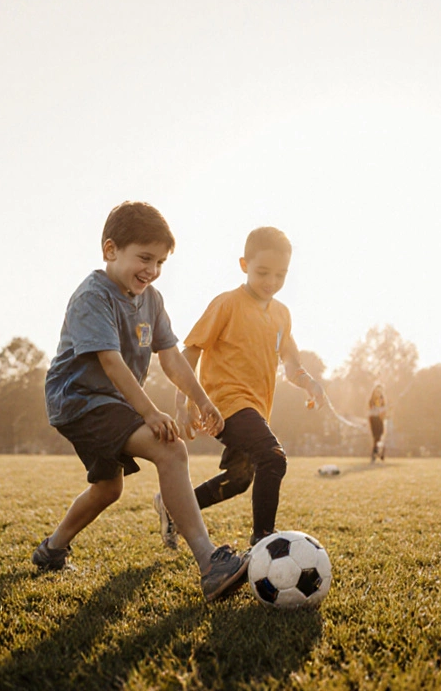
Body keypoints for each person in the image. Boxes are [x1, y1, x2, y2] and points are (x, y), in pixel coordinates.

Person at [35, 201, 248, 602]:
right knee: (171, 449)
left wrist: (202, 400)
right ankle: (209, 562)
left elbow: (171, 357)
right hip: (79, 400)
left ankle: (52, 549)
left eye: (161, 262)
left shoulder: (152, 300)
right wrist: (149, 412)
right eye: (145, 258)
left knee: (107, 489)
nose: (152, 270)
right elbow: (111, 363)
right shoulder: (92, 297)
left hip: (110, 402)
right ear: (110, 250)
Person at [166, 227, 326, 549]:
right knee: (273, 458)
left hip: (256, 408)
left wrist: (308, 382)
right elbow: (191, 352)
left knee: (239, 480)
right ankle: (263, 541)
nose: (271, 281)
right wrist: (183, 402)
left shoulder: (282, 315)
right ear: (244, 265)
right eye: (263, 272)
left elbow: (291, 362)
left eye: (281, 275)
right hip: (225, 403)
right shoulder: (227, 304)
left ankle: (173, 509)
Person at [368, 382, 388, 462]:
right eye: (377, 391)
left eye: (380, 391)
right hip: (373, 419)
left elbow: (384, 410)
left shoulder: (382, 400)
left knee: (380, 437)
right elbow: (372, 410)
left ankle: (378, 452)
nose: (379, 393)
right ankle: (376, 453)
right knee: (376, 437)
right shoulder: (372, 400)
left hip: (380, 419)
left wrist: (383, 411)